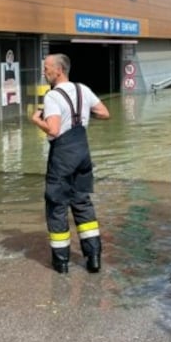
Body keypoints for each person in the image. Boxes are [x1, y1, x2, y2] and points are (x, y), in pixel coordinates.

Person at [30, 53, 110, 274]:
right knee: (82, 203)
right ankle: (93, 259)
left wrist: (37, 120)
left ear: (59, 70)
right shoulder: (82, 89)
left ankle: (61, 262)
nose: (44, 72)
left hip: (63, 155)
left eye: (47, 68)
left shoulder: (52, 96)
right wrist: (80, 116)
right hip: (83, 153)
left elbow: (54, 130)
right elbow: (104, 113)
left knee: (56, 205)